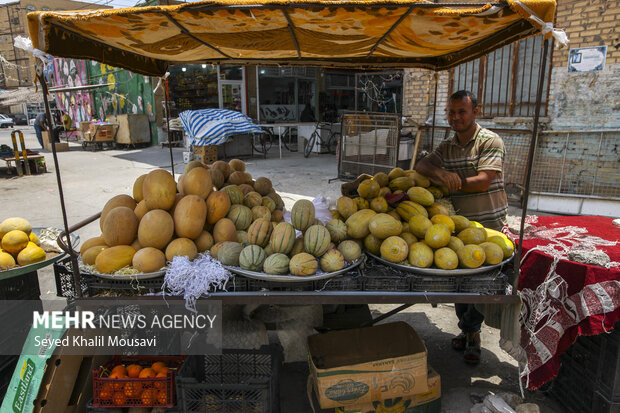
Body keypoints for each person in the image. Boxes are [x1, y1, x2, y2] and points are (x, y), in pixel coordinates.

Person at [415, 90, 508, 364]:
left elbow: (483, 181)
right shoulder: (447, 146)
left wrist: (452, 181)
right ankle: (467, 330)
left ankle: (472, 333)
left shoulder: (490, 140)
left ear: (475, 112)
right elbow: (422, 164)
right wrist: (439, 172)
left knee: (480, 286)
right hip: (459, 225)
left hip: (489, 224)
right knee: (459, 282)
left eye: (461, 112)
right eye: (451, 112)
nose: (455, 117)